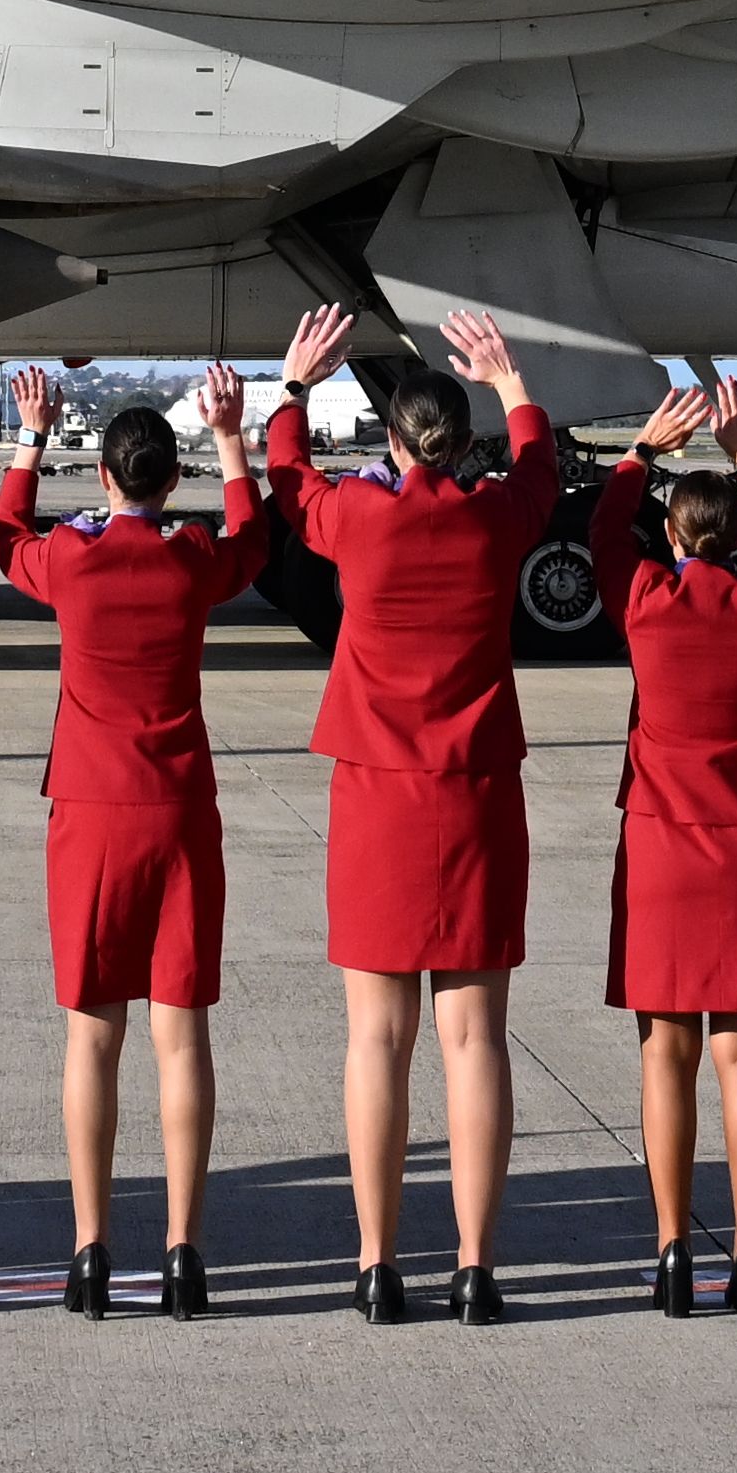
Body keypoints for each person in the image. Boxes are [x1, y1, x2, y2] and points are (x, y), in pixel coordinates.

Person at [267, 299, 560, 1322]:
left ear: (391, 439)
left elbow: (289, 479)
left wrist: (298, 384)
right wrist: (511, 376)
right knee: (475, 1040)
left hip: (378, 799)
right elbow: (541, 473)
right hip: (476, 793)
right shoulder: (492, 518)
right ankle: (477, 1266)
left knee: (376, 1040)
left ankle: (378, 1260)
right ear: (464, 439)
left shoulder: (358, 517)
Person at [0, 367, 281, 1314]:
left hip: (92, 814)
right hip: (180, 806)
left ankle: (92, 1249)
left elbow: (3, 538)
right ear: (169, 483)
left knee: (92, 1037)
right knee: (180, 1037)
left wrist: (31, 436)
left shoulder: (72, 560)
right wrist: (234, 438)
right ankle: (185, 1252)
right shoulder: (191, 559)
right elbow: (255, 541)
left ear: (104, 478)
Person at [599, 375, 737, 1317]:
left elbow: (607, 536)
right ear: (736, 540)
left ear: (675, 540)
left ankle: (667, 1252)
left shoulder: (645, 598)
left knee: (666, 1059)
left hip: (659, 850)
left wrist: (639, 454)